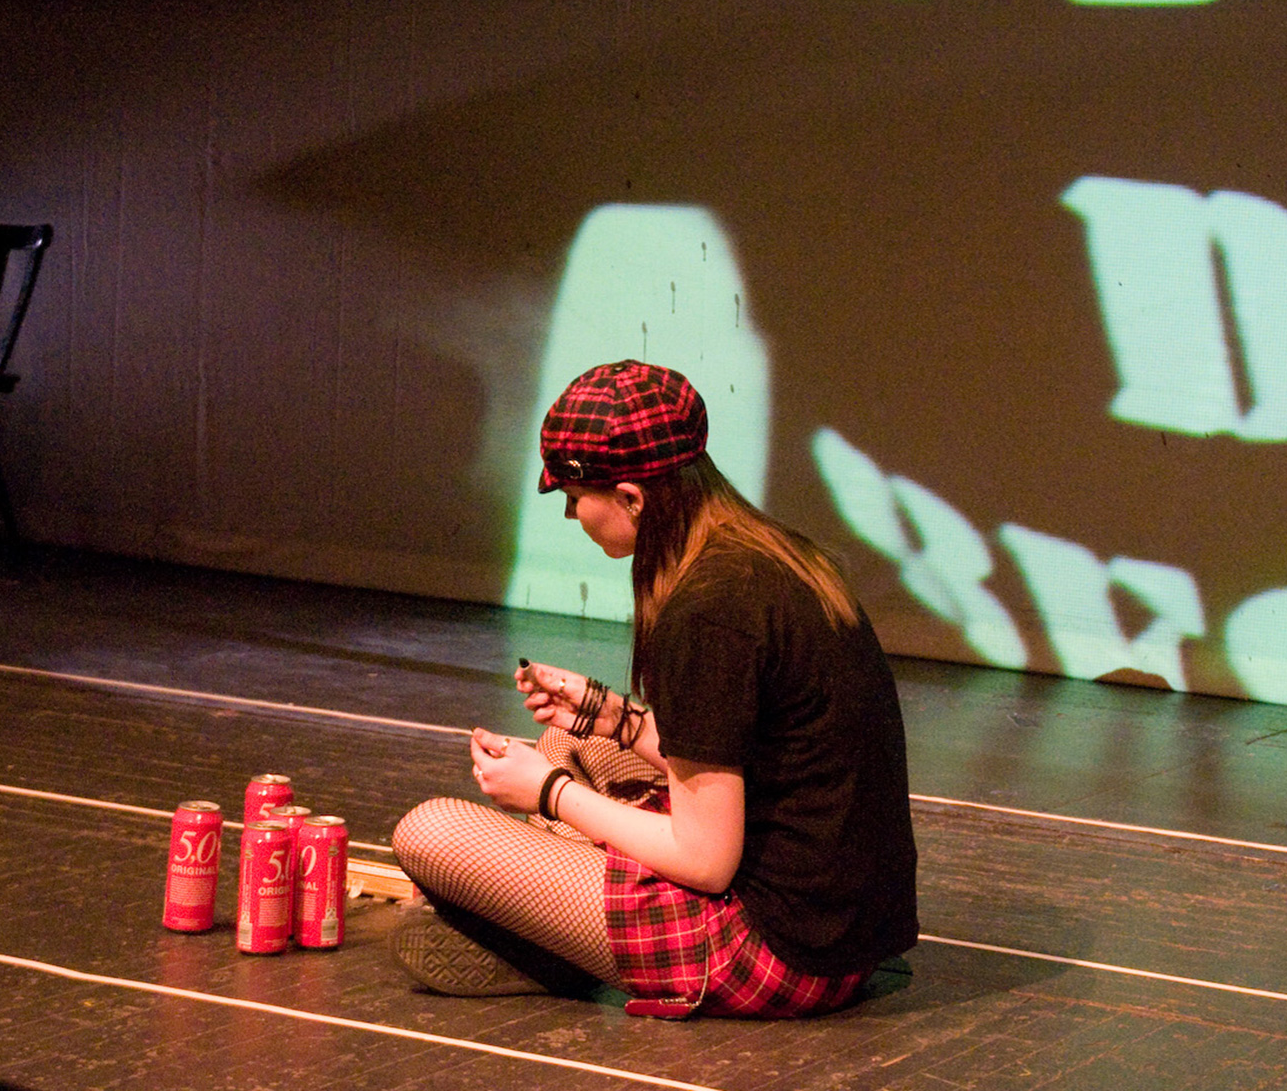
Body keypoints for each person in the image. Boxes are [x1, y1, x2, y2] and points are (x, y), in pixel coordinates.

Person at [389, 360, 919, 1017]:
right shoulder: (770, 554)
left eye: (573, 497)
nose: (571, 515)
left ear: (632, 499)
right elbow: (752, 753)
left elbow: (706, 862)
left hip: (782, 950)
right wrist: (611, 716)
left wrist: (548, 794)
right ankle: (555, 925)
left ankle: (545, 943)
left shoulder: (707, 610)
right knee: (568, 742)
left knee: (432, 830)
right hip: (845, 927)